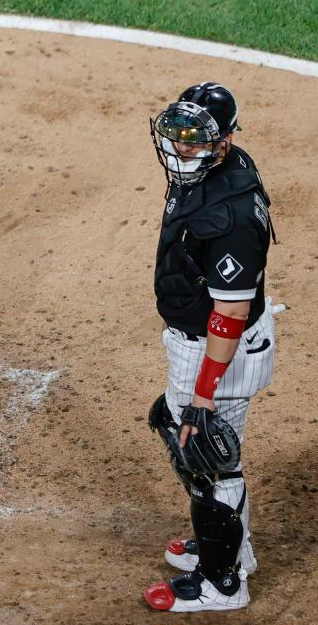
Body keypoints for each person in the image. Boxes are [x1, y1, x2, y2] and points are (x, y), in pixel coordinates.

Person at [143, 82, 277, 612]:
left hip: (218, 350)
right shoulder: (216, 167)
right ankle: (232, 548)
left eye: (196, 140)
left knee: (206, 454)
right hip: (205, 342)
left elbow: (231, 313)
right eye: (177, 135)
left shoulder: (233, 215)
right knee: (187, 436)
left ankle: (222, 583)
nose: (181, 148)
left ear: (224, 141)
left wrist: (203, 396)